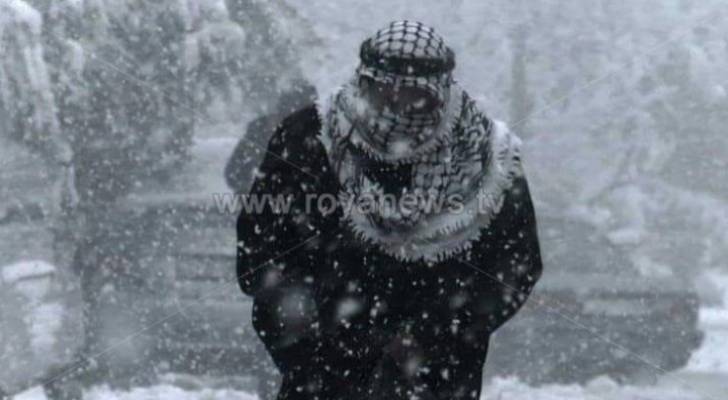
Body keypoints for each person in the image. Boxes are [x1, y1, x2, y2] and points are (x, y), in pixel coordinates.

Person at [236, 21, 542, 400]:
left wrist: (432, 336)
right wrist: (312, 346)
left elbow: (514, 265)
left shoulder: (487, 157)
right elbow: (261, 253)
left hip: (438, 377)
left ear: (441, 93)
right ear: (366, 83)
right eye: (387, 91)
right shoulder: (308, 137)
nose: (400, 107)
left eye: (415, 95)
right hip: (321, 377)